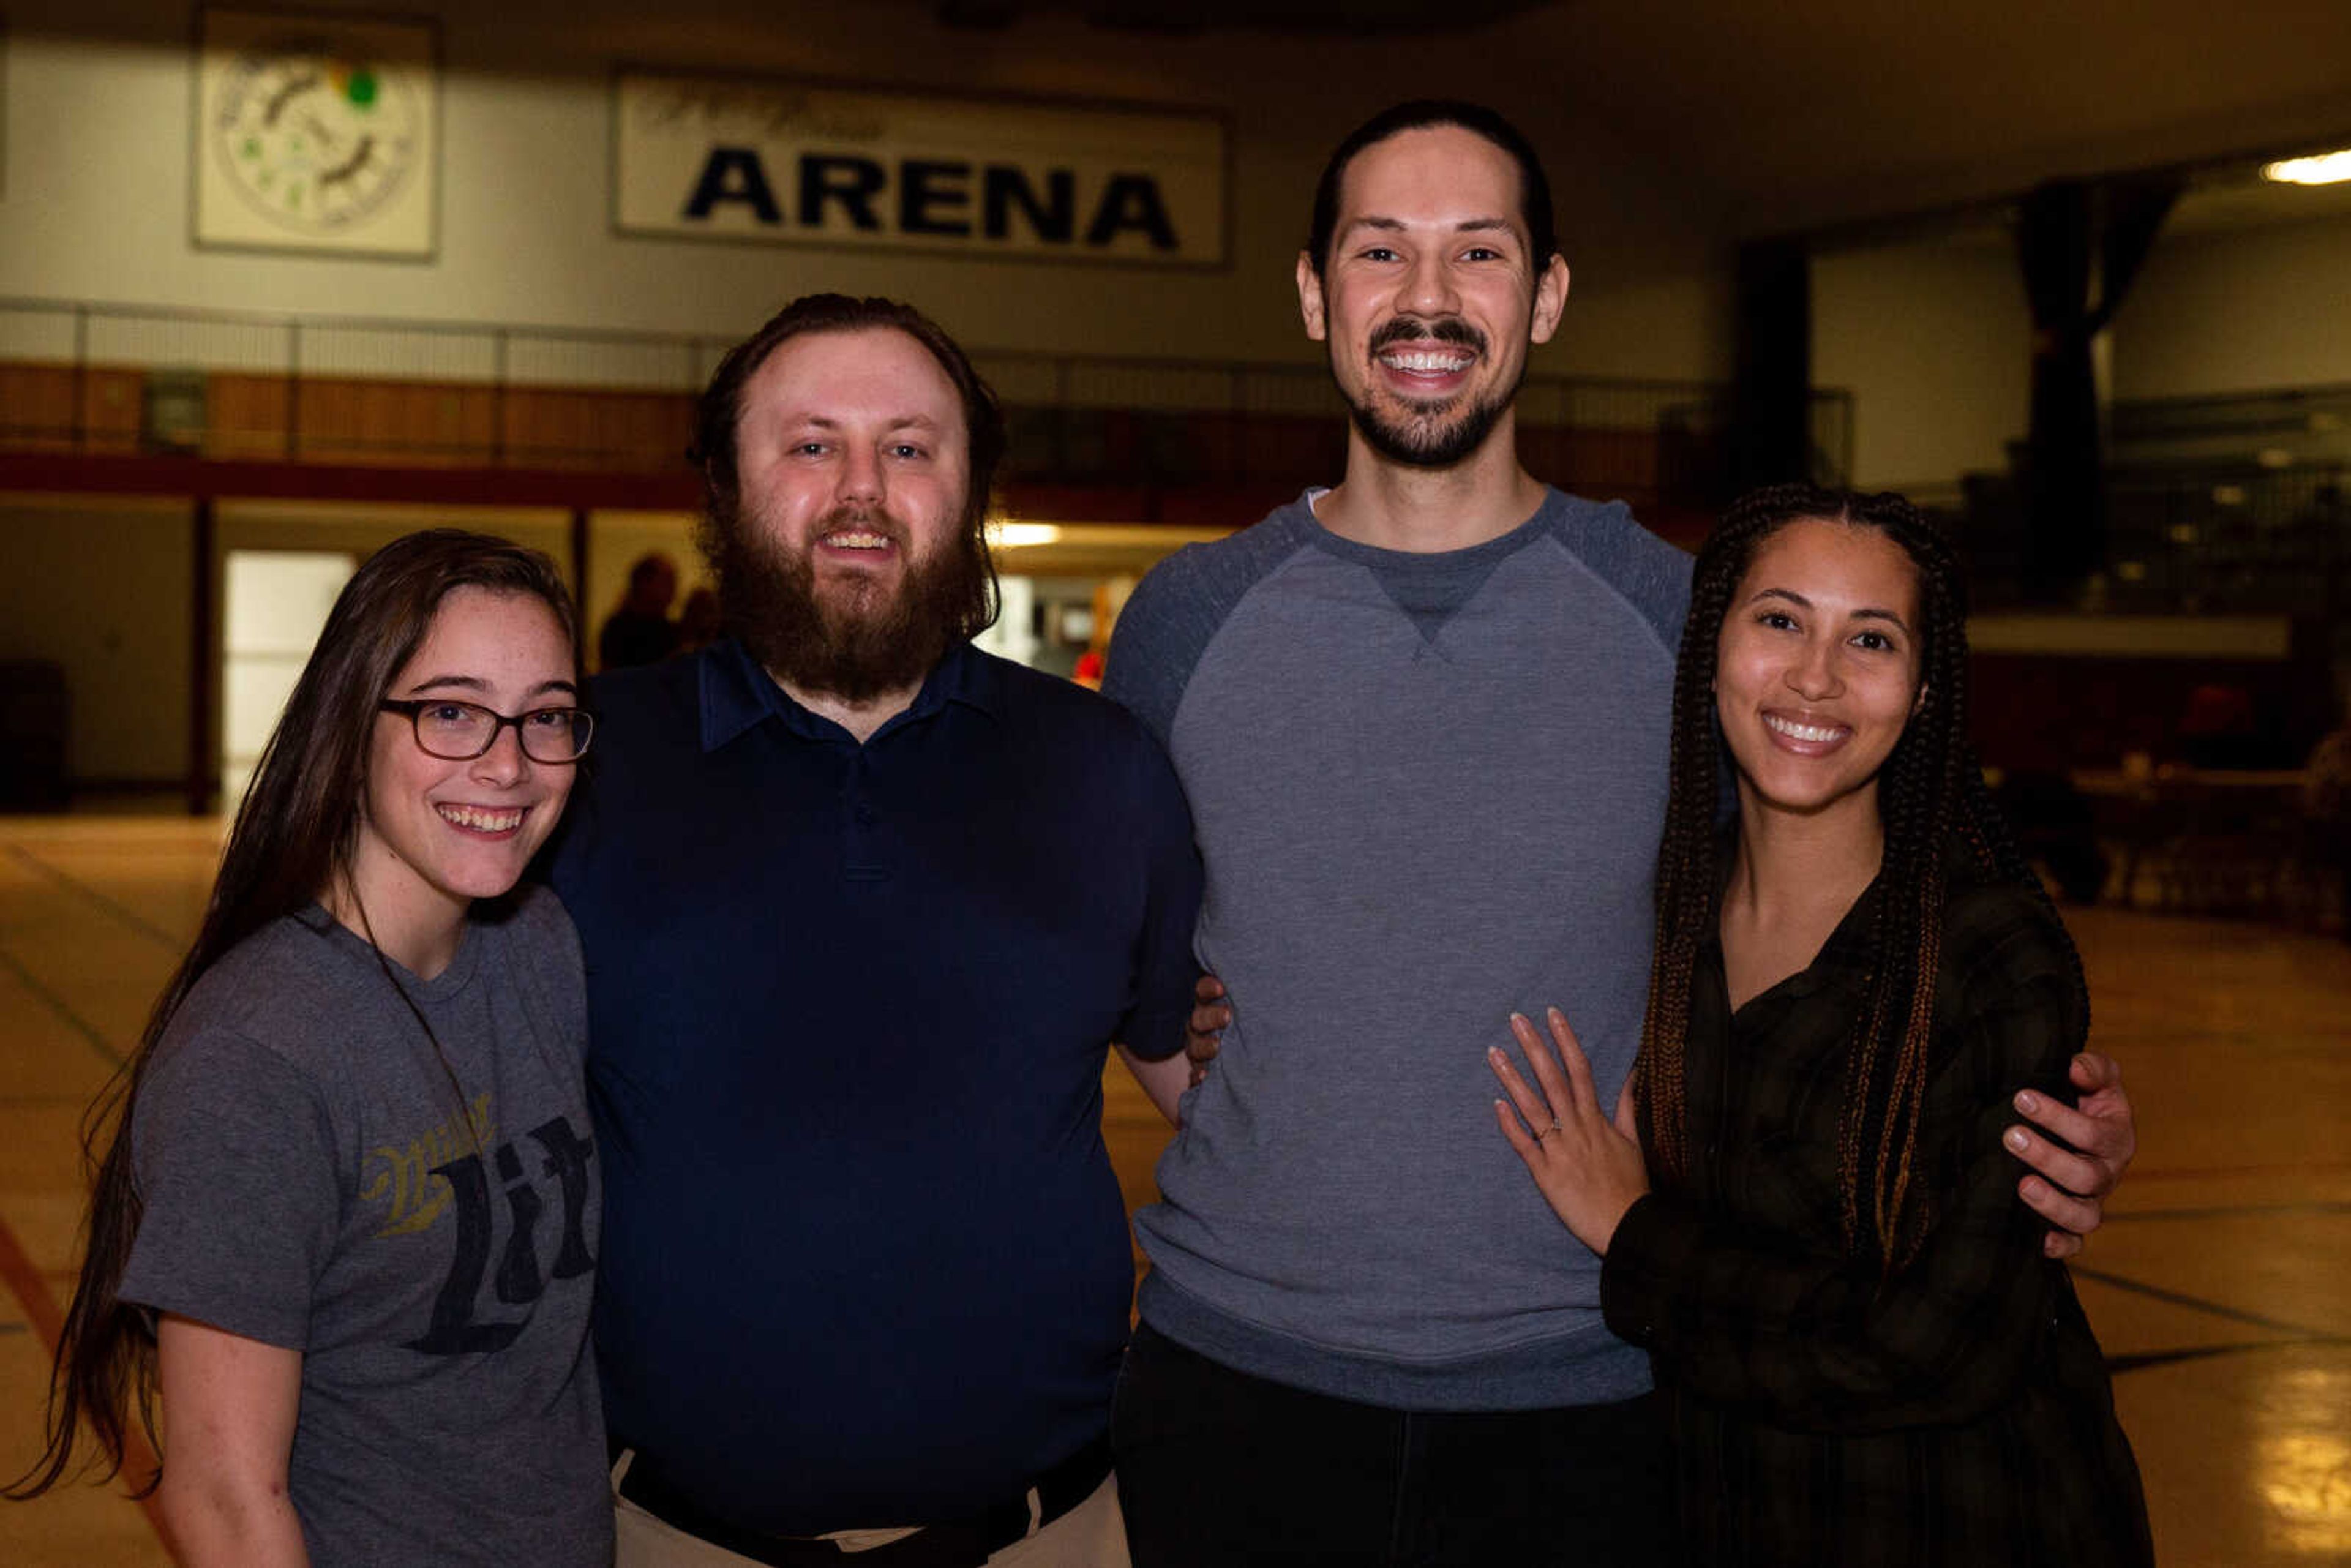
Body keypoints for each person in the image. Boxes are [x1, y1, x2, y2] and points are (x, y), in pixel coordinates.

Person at [1104, 100, 2137, 1563]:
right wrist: (1185, 1055)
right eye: (1378, 249)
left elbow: (1909, 883)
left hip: (1589, 1395)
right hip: (1237, 1388)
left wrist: (2054, 1109)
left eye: (1478, 252)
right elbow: (1107, 928)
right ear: (1310, 292)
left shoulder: (1675, 619)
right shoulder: (1182, 622)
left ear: (1546, 294)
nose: (1425, 297)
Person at [541, 293, 1202, 1567]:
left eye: (909, 447)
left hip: (1049, 1532)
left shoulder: (1103, 768)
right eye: (809, 445)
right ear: (724, 496)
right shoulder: (585, 760)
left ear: (969, 493)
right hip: (661, 1532)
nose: (862, 488)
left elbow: (1204, 1085)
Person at [1490, 485, 2153, 1565]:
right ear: (1712, 646)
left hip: (1969, 1520)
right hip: (1730, 1516)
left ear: (1926, 688)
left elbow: (1929, 1356)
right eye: (1782, 619)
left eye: (1872, 638)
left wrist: (1636, 1232)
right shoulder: (1659, 926)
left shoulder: (1991, 956)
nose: (1817, 677)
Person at [8, 531, 609, 1566]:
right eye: (452, 712)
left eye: (546, 717)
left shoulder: (543, 949)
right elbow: (229, 1501)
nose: (508, 764)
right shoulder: (259, 1054)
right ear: (352, 721)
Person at [599, 550, 681, 669]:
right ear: (643, 583)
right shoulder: (619, 628)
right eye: (666, 581)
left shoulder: (669, 630)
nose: (673, 589)